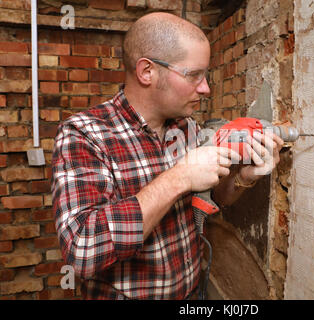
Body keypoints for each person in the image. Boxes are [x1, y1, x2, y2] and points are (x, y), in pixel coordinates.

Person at [51, 12, 284, 300]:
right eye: (193, 75)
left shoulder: (186, 127)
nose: (206, 88)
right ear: (147, 71)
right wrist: (178, 178)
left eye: (206, 75)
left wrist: (245, 179)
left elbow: (214, 198)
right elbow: (82, 250)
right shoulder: (84, 134)